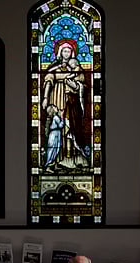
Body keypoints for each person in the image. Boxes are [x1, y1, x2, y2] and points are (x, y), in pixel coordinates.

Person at [41, 40, 89, 170]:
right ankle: (55, 160)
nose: (66, 53)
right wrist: (45, 97)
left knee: (69, 127)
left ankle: (70, 160)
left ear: (72, 53)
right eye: (64, 51)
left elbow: (82, 85)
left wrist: (75, 85)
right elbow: (48, 81)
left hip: (70, 102)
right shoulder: (54, 67)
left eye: (68, 51)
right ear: (60, 52)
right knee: (56, 129)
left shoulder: (75, 67)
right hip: (56, 98)